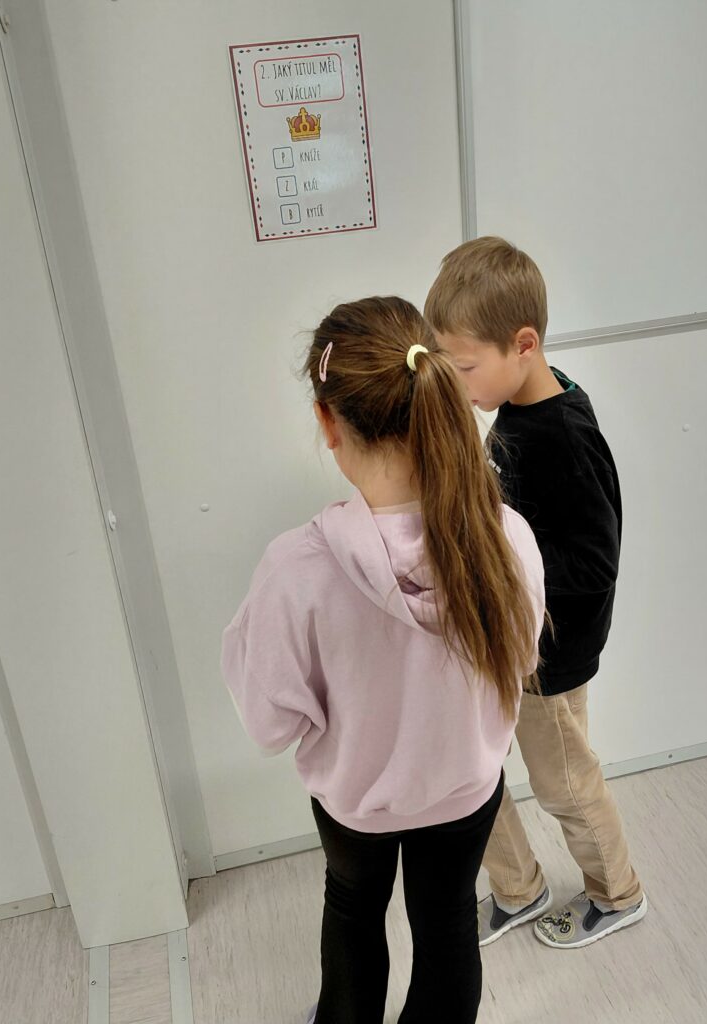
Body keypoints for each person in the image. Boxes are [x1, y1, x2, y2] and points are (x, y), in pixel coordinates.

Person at [220, 295, 545, 1023]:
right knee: (448, 920)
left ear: (328, 423)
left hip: (355, 803)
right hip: (465, 788)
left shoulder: (296, 570)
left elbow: (269, 726)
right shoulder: (509, 537)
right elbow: (520, 662)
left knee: (353, 908)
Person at [425, 236, 647, 950]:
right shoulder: (520, 409)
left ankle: (618, 895)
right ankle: (519, 890)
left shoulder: (562, 435)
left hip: (551, 655)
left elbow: (596, 561)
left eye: (464, 368)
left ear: (524, 345)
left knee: (566, 785)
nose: (458, 385)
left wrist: (502, 559)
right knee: (473, 769)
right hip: (513, 636)